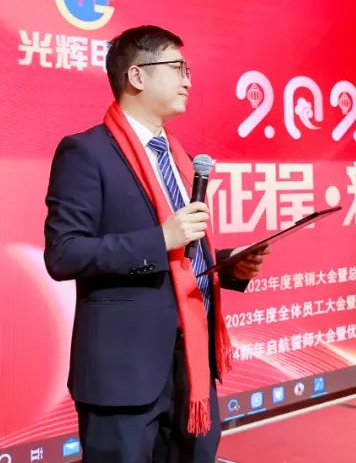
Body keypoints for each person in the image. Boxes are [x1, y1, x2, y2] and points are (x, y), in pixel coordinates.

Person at [44, 25, 268, 463]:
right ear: (137, 76)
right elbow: (64, 252)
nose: (188, 80)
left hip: (191, 364)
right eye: (178, 68)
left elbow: (182, 255)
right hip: (123, 371)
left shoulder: (181, 158)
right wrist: (160, 238)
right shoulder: (87, 152)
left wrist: (227, 265)